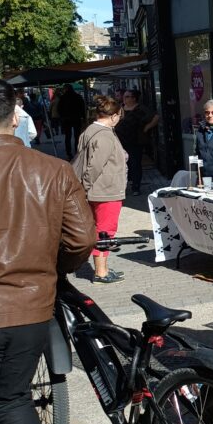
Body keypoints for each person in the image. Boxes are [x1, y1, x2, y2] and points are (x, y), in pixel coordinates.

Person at [0, 78, 96, 424]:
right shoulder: (53, 170)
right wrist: (50, 270)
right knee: (12, 397)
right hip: (31, 308)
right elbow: (81, 239)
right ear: (16, 115)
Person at [75, 95, 128, 284]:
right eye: (119, 116)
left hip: (97, 190)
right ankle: (101, 271)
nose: (119, 119)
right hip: (105, 190)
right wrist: (85, 186)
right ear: (114, 115)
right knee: (106, 231)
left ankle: (102, 267)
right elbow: (95, 166)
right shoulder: (105, 135)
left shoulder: (89, 130)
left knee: (99, 229)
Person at [115, 89, 159, 195]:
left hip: (135, 140)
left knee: (135, 163)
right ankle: (124, 185)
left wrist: (147, 127)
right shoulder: (120, 108)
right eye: (124, 96)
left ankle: (136, 187)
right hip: (120, 140)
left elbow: (156, 117)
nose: (124, 99)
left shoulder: (140, 108)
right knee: (122, 164)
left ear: (134, 98)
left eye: (127, 97)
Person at [58, 84, 85, 159]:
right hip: (76, 118)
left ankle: (69, 153)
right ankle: (77, 151)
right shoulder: (78, 96)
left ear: (66, 89)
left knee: (68, 136)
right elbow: (82, 108)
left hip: (66, 119)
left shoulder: (63, 98)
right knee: (77, 136)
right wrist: (83, 117)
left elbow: (59, 109)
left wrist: (62, 117)